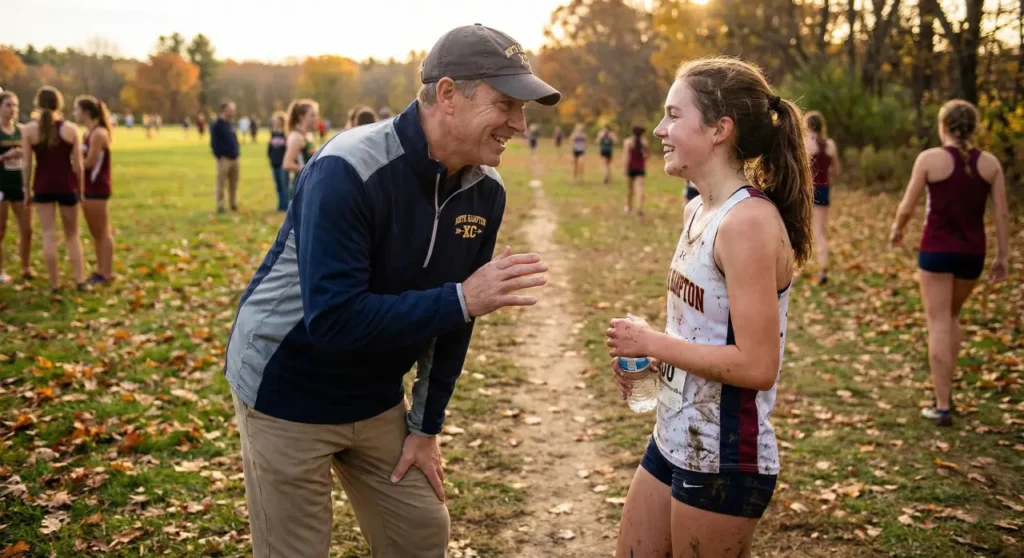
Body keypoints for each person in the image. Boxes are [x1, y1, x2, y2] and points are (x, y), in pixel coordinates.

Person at [224, 23, 559, 558]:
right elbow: (333, 321)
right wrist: (461, 299)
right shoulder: (348, 167)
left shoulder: (485, 191)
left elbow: (456, 321)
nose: (519, 124)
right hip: (287, 387)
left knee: (420, 533)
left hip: (375, 397)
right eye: (507, 104)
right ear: (448, 95)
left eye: (524, 108)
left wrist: (426, 426)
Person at [605, 57, 812, 558]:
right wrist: (657, 356)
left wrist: (655, 342)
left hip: (725, 457)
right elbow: (704, 333)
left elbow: (759, 365)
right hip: (674, 434)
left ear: (720, 129)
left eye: (674, 115)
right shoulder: (698, 207)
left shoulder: (748, 223)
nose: (660, 129)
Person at [890, 99, 1009, 427]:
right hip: (973, 254)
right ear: (974, 128)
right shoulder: (991, 164)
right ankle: (947, 393)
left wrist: (897, 230)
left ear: (943, 126)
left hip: (936, 252)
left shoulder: (929, 159)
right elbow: (1001, 213)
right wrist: (1003, 256)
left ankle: (942, 405)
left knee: (939, 321)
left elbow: (907, 205)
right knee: (952, 316)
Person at [20, 86, 88, 293]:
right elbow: (78, 165)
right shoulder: (70, 129)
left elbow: (27, 164)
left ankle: (55, 284)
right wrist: (82, 191)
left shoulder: (29, 130)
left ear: (38, 105)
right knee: (72, 235)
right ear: (59, 104)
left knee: (48, 234)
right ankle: (80, 281)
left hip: (43, 186)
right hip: (66, 186)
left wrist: (25, 189)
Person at [74, 96, 115, 285]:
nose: (74, 114)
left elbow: (89, 163)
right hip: (88, 187)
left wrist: (69, 165)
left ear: (86, 112)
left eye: (77, 110)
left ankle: (106, 273)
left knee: (102, 232)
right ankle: (100, 270)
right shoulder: (87, 134)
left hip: (98, 188)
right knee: (95, 232)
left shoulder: (99, 133)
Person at [805, 111, 840, 285]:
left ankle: (795, 267)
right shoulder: (830, 145)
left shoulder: (807, 143)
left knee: (800, 228)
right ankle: (823, 269)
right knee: (819, 231)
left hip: (808, 190)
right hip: (824, 189)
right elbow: (836, 171)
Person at [0, 91, 32, 283]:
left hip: (20, 185)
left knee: (27, 230)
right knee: (1, 230)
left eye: (15, 106)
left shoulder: (22, 131)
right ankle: (1, 271)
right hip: (1, 185)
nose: (12, 110)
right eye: (8, 105)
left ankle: (25, 268)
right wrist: (5, 157)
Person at [282, 99, 319, 198]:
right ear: (301, 117)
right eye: (312, 115)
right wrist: (308, 172)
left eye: (316, 115)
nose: (316, 118)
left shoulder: (308, 135)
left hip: (309, 185)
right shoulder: (296, 137)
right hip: (299, 186)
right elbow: (287, 164)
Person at [210, 101, 241, 213]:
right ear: (225, 110)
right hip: (224, 159)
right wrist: (219, 156)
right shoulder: (217, 125)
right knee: (221, 183)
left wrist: (237, 152)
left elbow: (234, 139)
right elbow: (214, 143)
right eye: (231, 109)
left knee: (234, 183)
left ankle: (233, 204)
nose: (233, 112)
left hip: (234, 158)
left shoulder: (230, 124)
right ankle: (220, 205)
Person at [622, 125, 649, 216]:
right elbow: (647, 156)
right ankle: (639, 207)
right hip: (640, 168)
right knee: (640, 188)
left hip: (631, 168)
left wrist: (625, 168)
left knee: (630, 189)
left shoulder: (628, 142)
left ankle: (628, 207)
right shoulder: (644, 142)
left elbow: (626, 157)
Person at [267, 112, 289, 212]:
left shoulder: (286, 135)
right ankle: (280, 206)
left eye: (277, 121)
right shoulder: (273, 133)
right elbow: (270, 148)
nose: (275, 123)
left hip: (283, 164)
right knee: (278, 186)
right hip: (274, 163)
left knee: (284, 185)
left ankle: (286, 206)